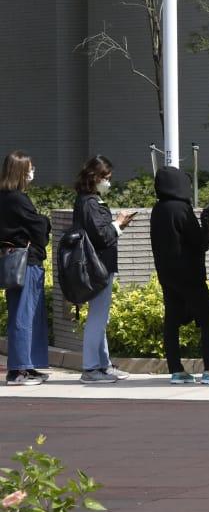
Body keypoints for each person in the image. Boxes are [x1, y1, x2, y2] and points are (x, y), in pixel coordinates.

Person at [150, 166, 209, 385]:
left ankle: (176, 370)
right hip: (190, 275)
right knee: (208, 320)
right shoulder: (181, 209)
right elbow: (198, 241)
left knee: (171, 322)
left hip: (167, 275)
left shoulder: (158, 209)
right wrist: (206, 230)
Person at [69, 156, 134, 383]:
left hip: (99, 266)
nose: (108, 182)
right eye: (105, 178)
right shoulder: (90, 203)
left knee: (100, 317)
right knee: (97, 318)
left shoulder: (88, 201)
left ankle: (103, 364)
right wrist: (118, 223)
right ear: (94, 177)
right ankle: (91, 368)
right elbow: (102, 235)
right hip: (98, 267)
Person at [1, 152, 51, 386]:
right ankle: (18, 370)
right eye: (30, 168)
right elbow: (38, 226)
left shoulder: (5, 197)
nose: (33, 172)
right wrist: (45, 222)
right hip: (26, 261)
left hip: (13, 259)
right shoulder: (18, 199)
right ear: (21, 172)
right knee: (24, 314)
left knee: (27, 313)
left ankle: (27, 366)